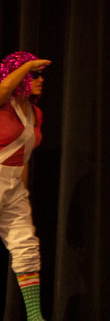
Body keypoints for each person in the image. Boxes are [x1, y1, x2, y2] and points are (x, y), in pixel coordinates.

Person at [0, 52, 50, 321]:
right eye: (33, 76)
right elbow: (5, 88)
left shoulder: (34, 113)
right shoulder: (2, 102)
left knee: (26, 247)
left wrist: (23, 192)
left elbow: (25, 157)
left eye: (40, 75)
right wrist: (26, 65)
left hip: (14, 184)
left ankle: (34, 317)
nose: (40, 80)